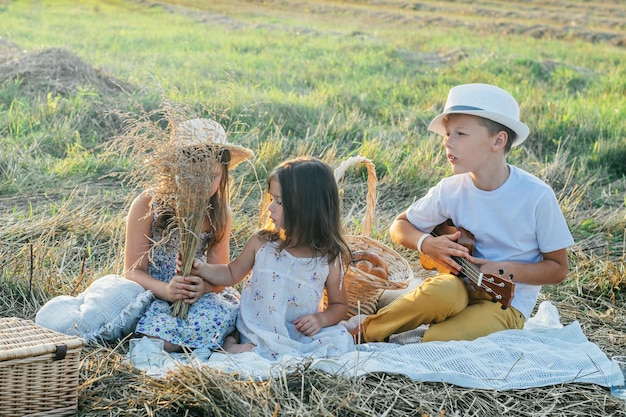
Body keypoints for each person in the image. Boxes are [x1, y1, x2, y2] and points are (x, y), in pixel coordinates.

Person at [353, 83, 574, 343]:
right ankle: (363, 332)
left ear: (498, 140)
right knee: (438, 294)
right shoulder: (451, 189)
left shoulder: (536, 196)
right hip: (457, 286)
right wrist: (428, 244)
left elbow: (558, 269)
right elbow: (399, 226)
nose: (447, 142)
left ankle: (415, 334)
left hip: (505, 305)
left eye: (460, 133)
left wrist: (505, 269)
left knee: (441, 340)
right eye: (447, 134)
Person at [178, 156, 355, 359]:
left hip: (297, 333)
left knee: (337, 342)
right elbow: (230, 273)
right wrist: (200, 267)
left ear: (309, 209)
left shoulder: (328, 257)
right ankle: (234, 346)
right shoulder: (263, 242)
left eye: (279, 202)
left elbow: (339, 306)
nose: (270, 207)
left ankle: (241, 349)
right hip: (259, 328)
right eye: (272, 199)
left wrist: (321, 320)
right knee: (259, 354)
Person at [125, 118, 254, 352]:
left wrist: (202, 288)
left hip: (196, 295)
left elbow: (220, 277)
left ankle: (217, 342)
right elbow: (132, 271)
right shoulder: (148, 205)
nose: (202, 185)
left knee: (219, 316)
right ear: (174, 170)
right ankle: (206, 344)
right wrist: (166, 290)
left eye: (212, 176)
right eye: (193, 175)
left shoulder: (220, 215)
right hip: (155, 291)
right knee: (157, 339)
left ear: (223, 174)